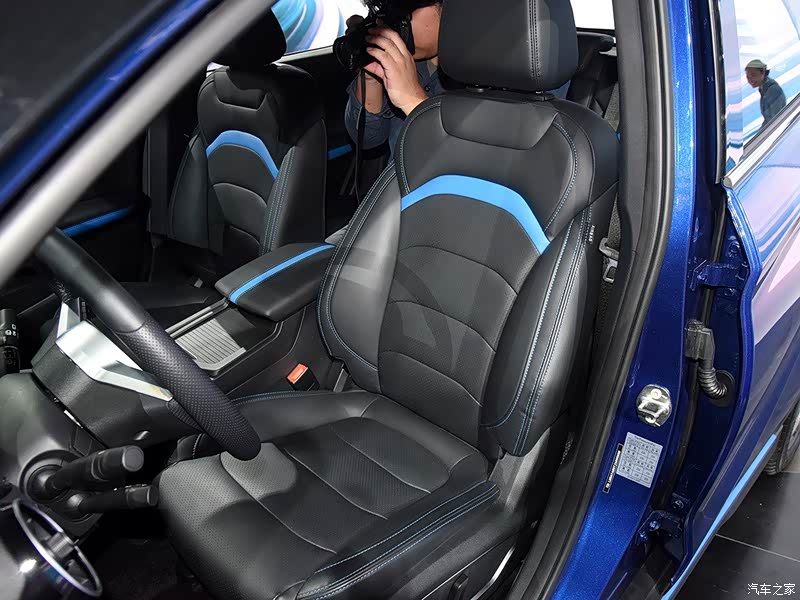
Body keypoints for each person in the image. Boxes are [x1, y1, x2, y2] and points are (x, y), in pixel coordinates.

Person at [344, 0, 570, 158]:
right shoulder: (410, 60)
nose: (388, 22)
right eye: (383, 11)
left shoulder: (522, 72)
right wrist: (370, 77)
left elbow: (493, 170)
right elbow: (367, 140)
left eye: (401, 10)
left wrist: (414, 101)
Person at [745, 59, 787, 128]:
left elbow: (774, 121)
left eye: (753, 75)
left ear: (763, 72)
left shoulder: (773, 90)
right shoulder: (764, 89)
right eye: (748, 77)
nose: (750, 79)